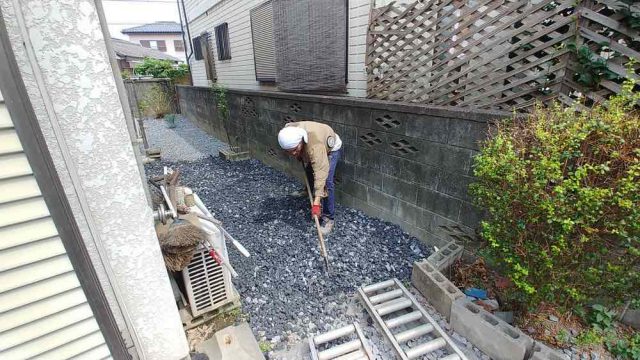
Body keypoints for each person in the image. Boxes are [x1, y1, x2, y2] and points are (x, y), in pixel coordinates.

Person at [277, 121, 342, 235]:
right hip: (314, 145)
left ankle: (328, 218)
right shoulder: (289, 131)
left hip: (330, 149)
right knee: (309, 171)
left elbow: (320, 172)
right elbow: (288, 125)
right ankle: (308, 191)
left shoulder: (314, 147)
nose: (292, 153)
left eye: (295, 150)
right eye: (289, 151)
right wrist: (298, 153)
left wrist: (316, 204)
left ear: (301, 141)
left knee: (326, 182)